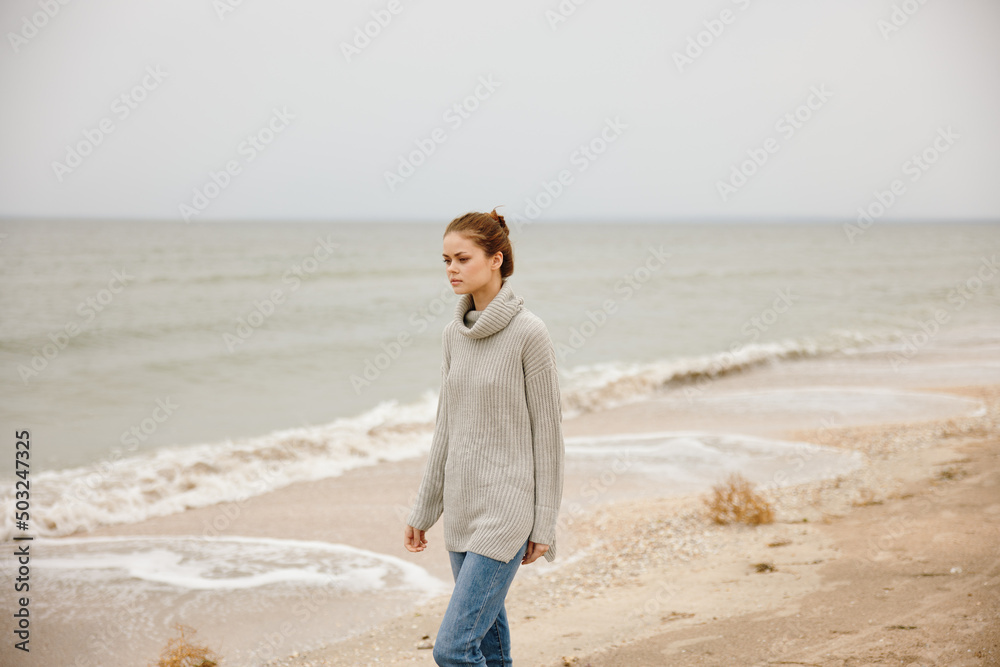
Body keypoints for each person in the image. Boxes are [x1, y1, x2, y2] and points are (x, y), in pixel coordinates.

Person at [403, 207, 565, 667]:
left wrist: (544, 523)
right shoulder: (453, 336)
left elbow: (549, 436)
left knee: (453, 650)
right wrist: (425, 507)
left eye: (462, 258)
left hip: (507, 511)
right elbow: (446, 428)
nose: (451, 270)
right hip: (461, 506)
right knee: (489, 647)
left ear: (496, 259)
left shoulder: (529, 332)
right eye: (446, 261)